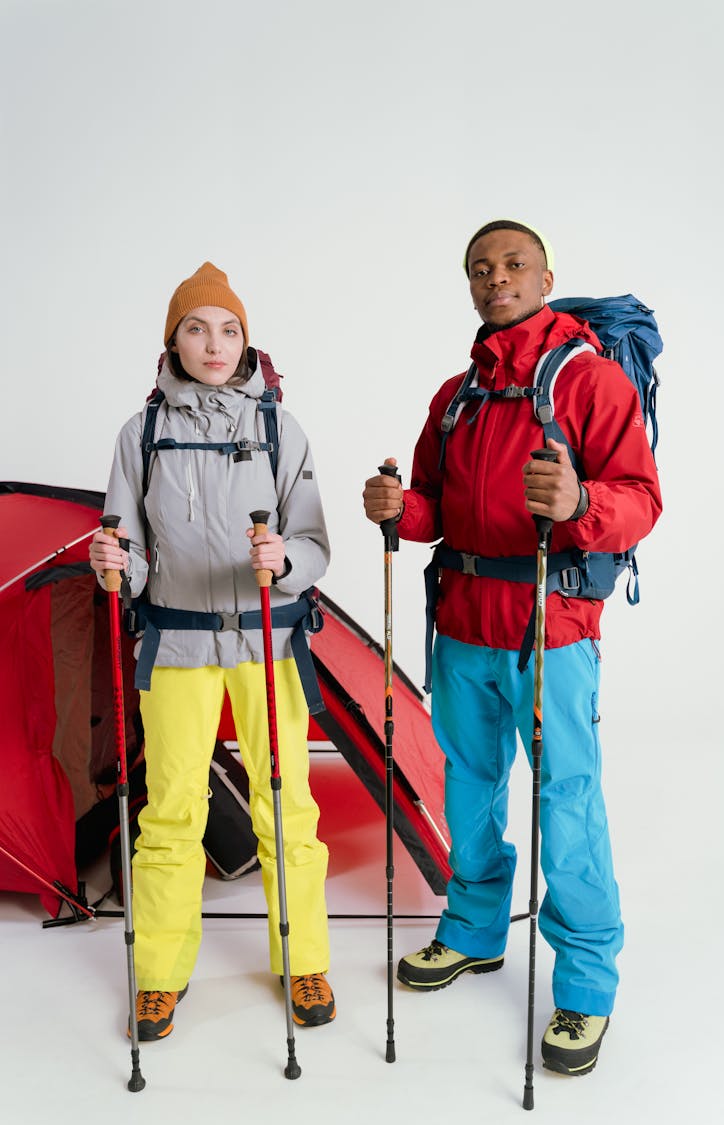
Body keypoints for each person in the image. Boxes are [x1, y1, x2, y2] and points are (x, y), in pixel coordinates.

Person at [362, 220, 661, 1077]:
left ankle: (587, 984)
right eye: (481, 270)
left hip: (552, 630)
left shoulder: (591, 380)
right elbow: (432, 508)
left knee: (566, 800)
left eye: (514, 265)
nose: (498, 279)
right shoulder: (455, 395)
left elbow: (642, 497)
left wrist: (578, 502)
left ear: (546, 274)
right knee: (469, 788)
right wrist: (397, 508)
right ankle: (473, 933)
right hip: (463, 629)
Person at [90, 262, 334, 1040]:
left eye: (229, 329)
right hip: (177, 645)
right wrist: (115, 566)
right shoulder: (142, 432)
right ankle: (159, 974)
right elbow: (127, 552)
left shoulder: (278, 428)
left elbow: (316, 540)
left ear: (247, 340)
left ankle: (304, 960)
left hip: (271, 638)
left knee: (287, 803)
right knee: (170, 811)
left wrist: (285, 560)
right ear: (174, 341)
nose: (215, 343)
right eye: (197, 328)